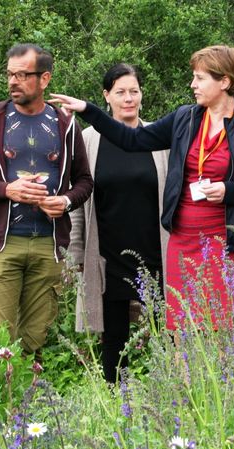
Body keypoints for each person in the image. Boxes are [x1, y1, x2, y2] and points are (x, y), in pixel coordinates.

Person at [51, 45, 234, 330]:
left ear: (225, 82)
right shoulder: (186, 118)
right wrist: (89, 111)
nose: (192, 84)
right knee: (181, 333)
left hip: (224, 244)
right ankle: (182, 378)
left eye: (200, 78)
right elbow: (132, 140)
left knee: (223, 332)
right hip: (183, 241)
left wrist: (228, 190)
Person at [0, 43, 93, 355]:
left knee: (35, 340)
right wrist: (7, 190)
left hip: (49, 245)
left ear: (44, 79)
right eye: (9, 74)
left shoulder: (66, 124)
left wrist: (66, 202)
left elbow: (84, 182)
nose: (12, 81)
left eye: (21, 75)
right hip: (3, 245)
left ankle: (27, 401)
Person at [67, 64, 169, 382]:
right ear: (106, 96)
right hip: (108, 256)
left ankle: (168, 402)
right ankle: (117, 408)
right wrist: (76, 253)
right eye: (121, 92)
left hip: (155, 255)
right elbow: (77, 202)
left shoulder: (159, 139)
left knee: (165, 336)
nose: (129, 99)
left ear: (142, 95)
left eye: (134, 91)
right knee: (114, 342)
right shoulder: (88, 141)